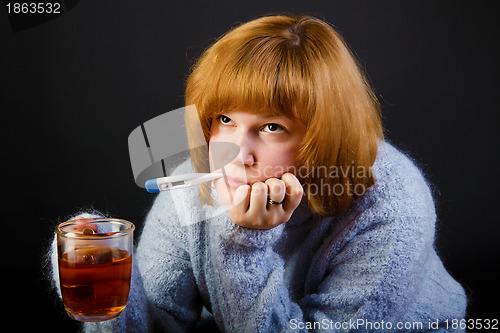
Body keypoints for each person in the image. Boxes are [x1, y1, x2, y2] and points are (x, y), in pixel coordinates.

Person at [49, 14, 467, 332]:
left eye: (271, 127)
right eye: (225, 119)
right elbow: (158, 321)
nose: (236, 154)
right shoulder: (196, 184)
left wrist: (244, 246)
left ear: (321, 136)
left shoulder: (391, 204)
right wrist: (100, 275)